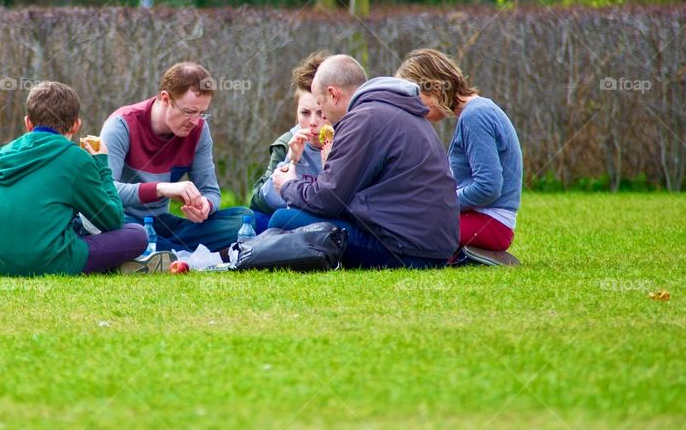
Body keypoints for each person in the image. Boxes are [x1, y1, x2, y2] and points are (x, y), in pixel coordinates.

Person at [270, 55, 459, 268]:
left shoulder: (362, 120)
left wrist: (288, 185)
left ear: (333, 94)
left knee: (281, 220)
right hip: (434, 248)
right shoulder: (399, 112)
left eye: (321, 106)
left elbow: (328, 199)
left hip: (405, 251)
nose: (322, 116)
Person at [0, 81, 147, 276]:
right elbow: (112, 220)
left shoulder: (3, 155)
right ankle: (111, 264)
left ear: (28, 123)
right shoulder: (75, 158)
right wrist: (102, 164)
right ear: (76, 125)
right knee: (137, 234)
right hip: (47, 262)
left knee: (76, 226)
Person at [100, 62, 253, 253]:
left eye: (202, 113)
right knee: (128, 232)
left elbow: (210, 191)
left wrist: (205, 205)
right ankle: (180, 252)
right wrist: (162, 189)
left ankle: (160, 252)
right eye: (188, 112)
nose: (195, 121)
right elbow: (105, 190)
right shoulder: (121, 125)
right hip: (121, 218)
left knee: (243, 219)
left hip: (162, 223)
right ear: (165, 99)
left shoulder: (198, 130)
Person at [396, 48, 522, 253]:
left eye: (416, 100)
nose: (415, 110)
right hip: (482, 219)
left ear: (436, 88)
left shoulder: (476, 116)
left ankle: (466, 255)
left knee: (406, 230)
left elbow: (488, 187)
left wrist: (440, 202)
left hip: (491, 223)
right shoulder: (474, 113)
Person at [250, 52, 331, 231]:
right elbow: (261, 203)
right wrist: (291, 160)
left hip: (330, 223)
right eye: (305, 113)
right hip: (291, 219)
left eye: (321, 113)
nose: (313, 122)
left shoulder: (350, 141)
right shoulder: (286, 142)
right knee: (252, 219)